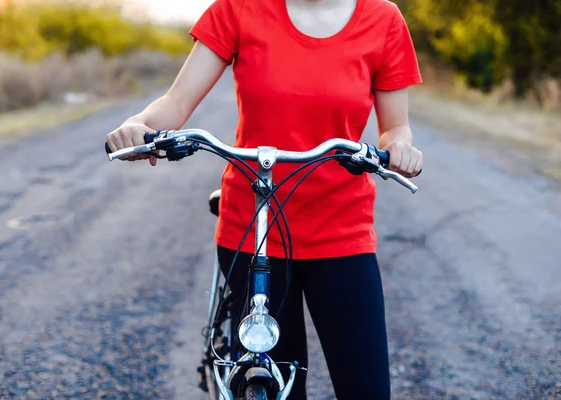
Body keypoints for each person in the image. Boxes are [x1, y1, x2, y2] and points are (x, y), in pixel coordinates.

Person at [106, 0, 423, 398]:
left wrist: (400, 148)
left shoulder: (383, 19)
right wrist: (139, 126)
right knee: (277, 388)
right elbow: (177, 102)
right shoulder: (239, 8)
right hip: (252, 230)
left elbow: (395, 127)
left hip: (341, 232)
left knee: (366, 389)